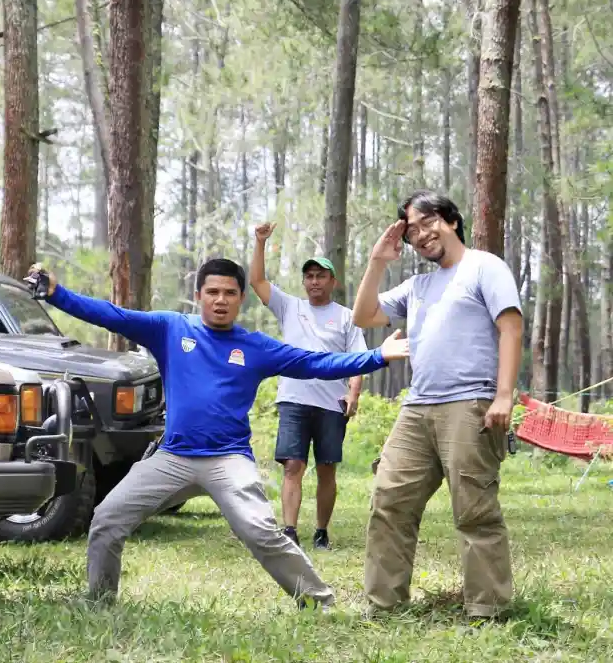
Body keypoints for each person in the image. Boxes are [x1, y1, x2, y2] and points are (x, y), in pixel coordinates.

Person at [30, 258, 410, 608]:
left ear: (242, 299)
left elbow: (317, 363)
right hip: (173, 457)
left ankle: (319, 601)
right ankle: (99, 601)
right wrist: (56, 294)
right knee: (108, 518)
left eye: (230, 293)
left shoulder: (255, 346)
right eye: (212, 292)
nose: (220, 300)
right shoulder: (169, 328)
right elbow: (110, 315)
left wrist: (377, 356)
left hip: (229, 459)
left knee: (261, 532)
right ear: (199, 296)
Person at [352, 190, 523, 620]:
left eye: (427, 222)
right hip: (417, 409)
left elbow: (511, 328)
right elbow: (364, 315)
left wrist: (504, 396)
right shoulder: (417, 286)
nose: (420, 234)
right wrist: (378, 261)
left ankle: (487, 609)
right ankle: (384, 605)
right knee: (389, 500)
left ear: (450, 220)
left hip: (470, 404)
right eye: (411, 231)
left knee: (474, 510)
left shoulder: (485, 266)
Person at [249, 222, 369, 550]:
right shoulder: (291, 307)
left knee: (326, 468)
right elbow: (257, 281)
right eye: (309, 276)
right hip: (293, 399)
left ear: (333, 281)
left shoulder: (345, 317)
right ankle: (289, 530)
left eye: (321, 276)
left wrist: (353, 394)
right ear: (304, 281)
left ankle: (321, 531)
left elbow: (358, 358)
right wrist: (260, 242)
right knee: (293, 464)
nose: (314, 281)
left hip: (332, 403)